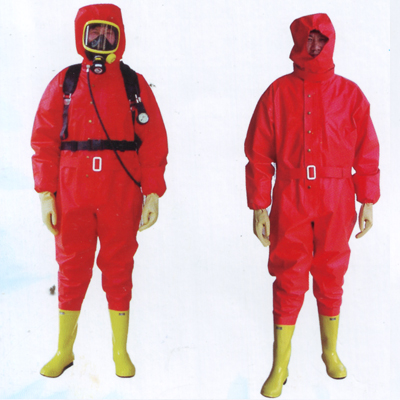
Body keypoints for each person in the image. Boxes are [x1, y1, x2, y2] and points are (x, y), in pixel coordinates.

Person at [244, 13, 380, 398]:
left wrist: (368, 199)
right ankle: (280, 364)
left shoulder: (350, 95)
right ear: (297, 42)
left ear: (331, 42)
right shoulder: (277, 93)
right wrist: (259, 205)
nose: (315, 47)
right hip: (291, 194)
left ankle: (329, 352)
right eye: (309, 40)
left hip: (337, 195)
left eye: (321, 40)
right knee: (289, 274)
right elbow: (258, 153)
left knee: (332, 272)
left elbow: (367, 151)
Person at [31, 4, 168, 378]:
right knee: (70, 267)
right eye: (95, 32)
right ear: (82, 35)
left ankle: (120, 351)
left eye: (110, 32)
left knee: (119, 267)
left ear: (120, 36)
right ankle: (64, 350)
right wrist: (45, 195)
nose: (102, 40)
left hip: (120, 191)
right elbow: (43, 140)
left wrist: (152, 193)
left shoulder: (133, 84)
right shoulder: (65, 82)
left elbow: (154, 140)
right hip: (72, 192)